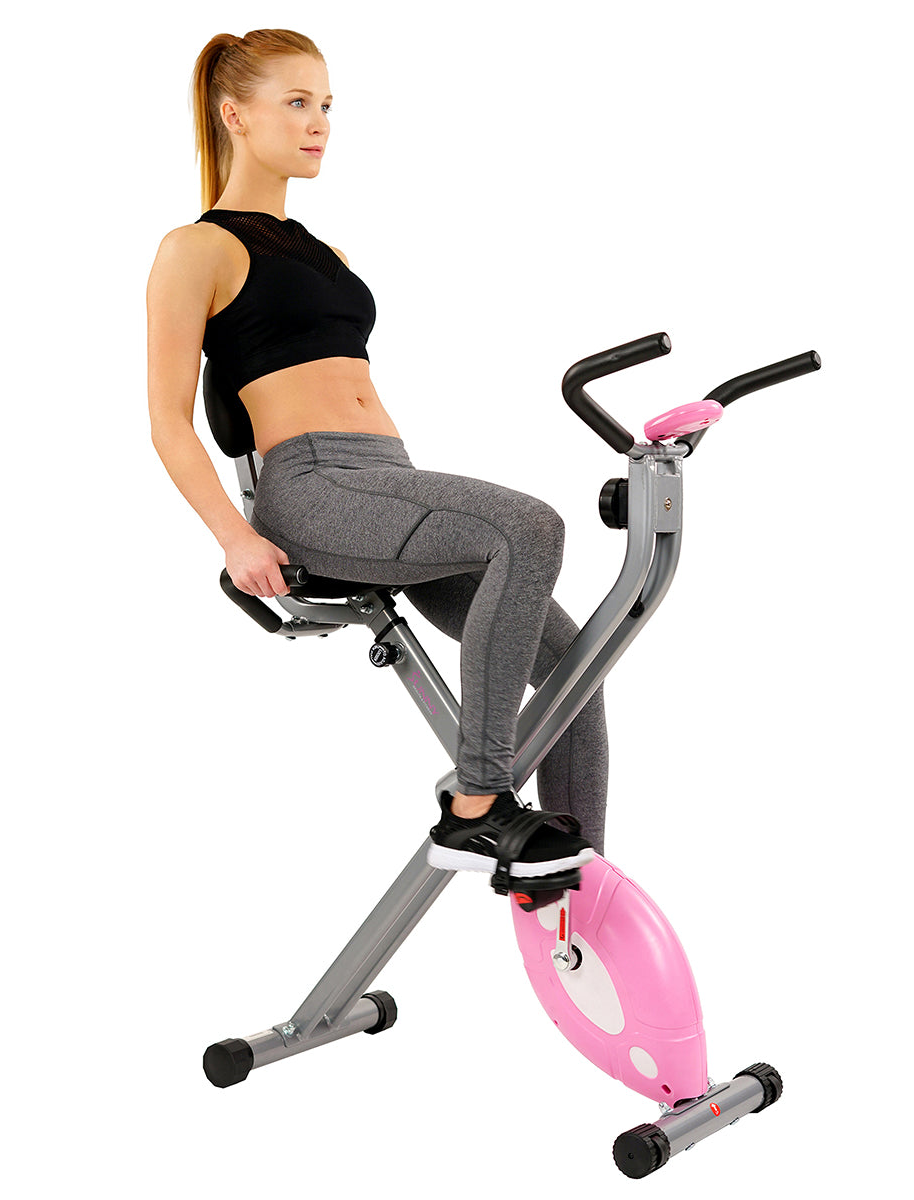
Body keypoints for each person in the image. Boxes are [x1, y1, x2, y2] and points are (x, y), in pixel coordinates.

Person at [146, 28, 609, 882]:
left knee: (577, 666)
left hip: (388, 481)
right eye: (297, 102)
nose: (319, 122)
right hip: (312, 488)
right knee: (530, 527)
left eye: (326, 105)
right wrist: (234, 538)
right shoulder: (196, 248)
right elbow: (168, 421)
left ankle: (573, 880)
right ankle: (477, 806)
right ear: (234, 114)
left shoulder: (330, 256)